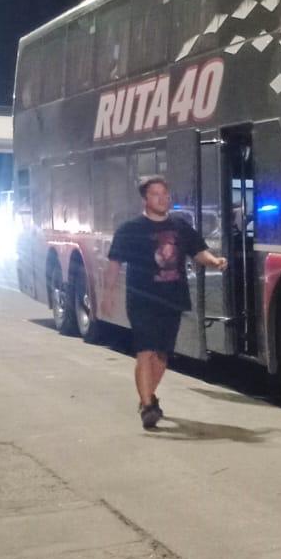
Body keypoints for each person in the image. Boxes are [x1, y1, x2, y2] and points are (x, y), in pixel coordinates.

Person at [104, 177, 227, 429]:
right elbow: (114, 263)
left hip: (172, 299)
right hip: (141, 299)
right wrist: (108, 294)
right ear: (145, 200)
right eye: (155, 194)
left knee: (162, 356)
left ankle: (148, 397)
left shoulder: (180, 227)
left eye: (165, 194)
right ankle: (148, 406)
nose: (162, 198)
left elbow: (198, 251)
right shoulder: (130, 229)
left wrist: (214, 261)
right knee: (145, 352)